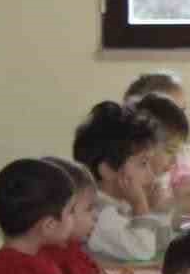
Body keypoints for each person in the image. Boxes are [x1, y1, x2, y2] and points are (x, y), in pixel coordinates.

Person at [73, 102, 170, 264]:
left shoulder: (122, 203)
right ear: (109, 170)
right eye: (143, 164)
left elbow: (162, 244)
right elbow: (143, 251)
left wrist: (156, 209)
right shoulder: (97, 212)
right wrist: (141, 207)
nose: (152, 176)